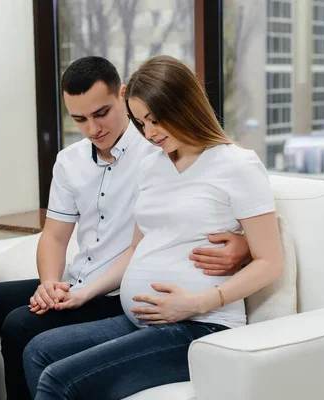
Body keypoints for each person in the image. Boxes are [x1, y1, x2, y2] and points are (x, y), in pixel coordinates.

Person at [0, 56, 250, 400]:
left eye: (101, 113)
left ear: (122, 95)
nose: (93, 129)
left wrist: (245, 244)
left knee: (21, 325)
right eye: (79, 119)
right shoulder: (70, 160)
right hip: (81, 280)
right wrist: (50, 284)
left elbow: (217, 200)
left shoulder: (158, 149)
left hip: (114, 291)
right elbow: (55, 236)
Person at [22, 56, 284, 400]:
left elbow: (271, 261)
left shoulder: (237, 164)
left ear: (186, 107)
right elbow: (136, 249)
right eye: (142, 122)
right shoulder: (152, 164)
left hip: (201, 325)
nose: (149, 133)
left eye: (156, 120)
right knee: (39, 349)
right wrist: (83, 293)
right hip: (144, 319)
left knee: (60, 380)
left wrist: (198, 303)